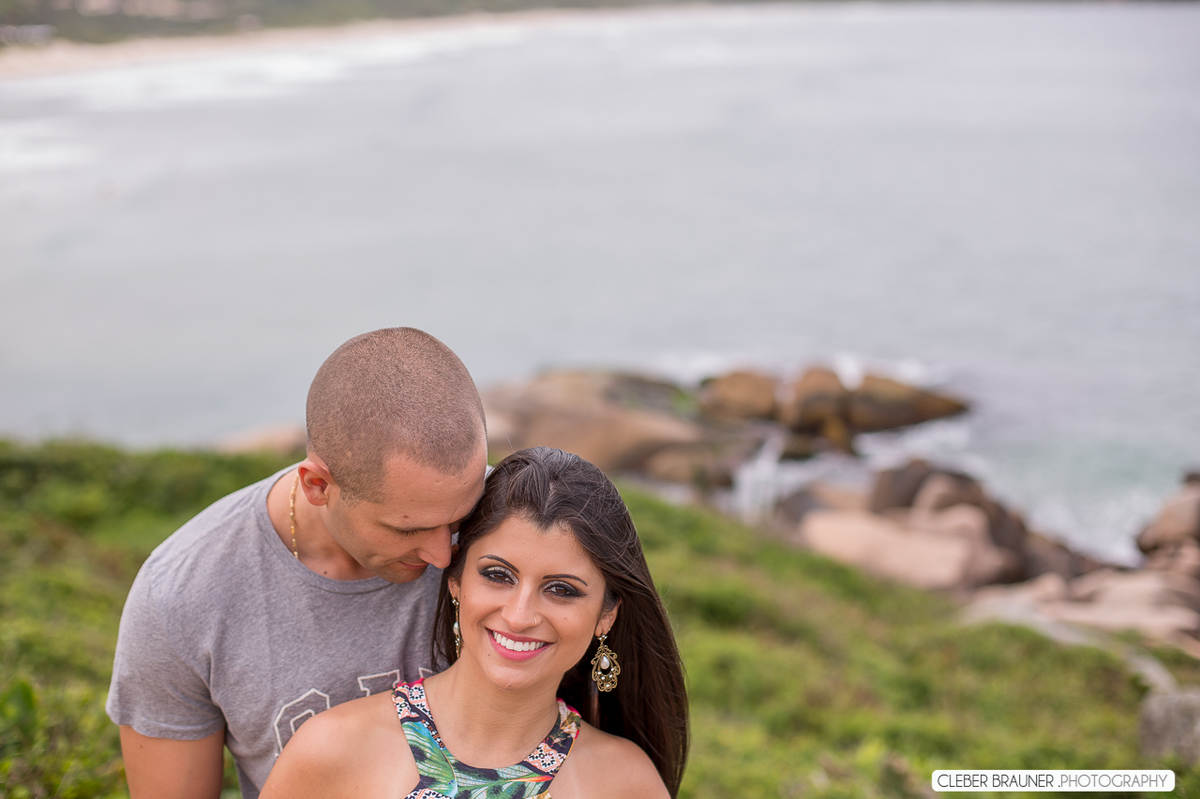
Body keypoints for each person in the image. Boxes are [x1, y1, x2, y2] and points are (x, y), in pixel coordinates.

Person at [106, 328, 490, 799]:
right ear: (316, 485)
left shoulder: (517, 534)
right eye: (406, 529)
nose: (445, 556)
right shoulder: (181, 596)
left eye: (459, 517)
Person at [260, 447, 690, 799]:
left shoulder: (625, 783)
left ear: (606, 615)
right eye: (498, 575)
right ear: (455, 582)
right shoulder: (333, 751)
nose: (520, 616)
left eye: (561, 589)